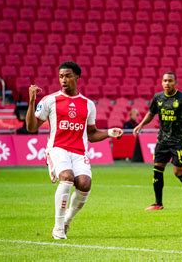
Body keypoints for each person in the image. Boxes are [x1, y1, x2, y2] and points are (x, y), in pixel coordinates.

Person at [25, 61, 123, 239]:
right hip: (58, 149)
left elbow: (91, 134)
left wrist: (109, 133)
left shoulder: (88, 104)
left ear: (77, 77)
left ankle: (67, 220)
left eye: (68, 76)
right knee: (67, 178)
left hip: (79, 151)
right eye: (61, 76)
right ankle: (58, 227)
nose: (64, 79)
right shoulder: (50, 100)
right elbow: (31, 127)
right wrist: (31, 102)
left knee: (85, 184)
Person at [133, 72, 182, 210]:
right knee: (157, 169)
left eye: (170, 81)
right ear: (161, 82)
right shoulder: (158, 98)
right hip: (162, 140)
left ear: (175, 83)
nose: (167, 83)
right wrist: (141, 125)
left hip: (179, 141)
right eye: (165, 81)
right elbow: (151, 113)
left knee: (178, 172)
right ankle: (158, 203)